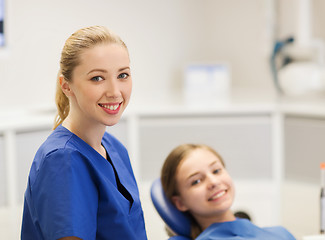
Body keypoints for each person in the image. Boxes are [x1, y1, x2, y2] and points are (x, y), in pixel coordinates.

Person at [21, 26, 147, 240]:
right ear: (66, 86)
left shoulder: (113, 147)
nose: (115, 92)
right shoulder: (63, 161)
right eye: (97, 78)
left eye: (123, 75)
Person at [160, 143, 296, 240]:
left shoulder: (280, 233)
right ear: (180, 203)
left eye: (216, 171)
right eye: (196, 181)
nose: (213, 182)